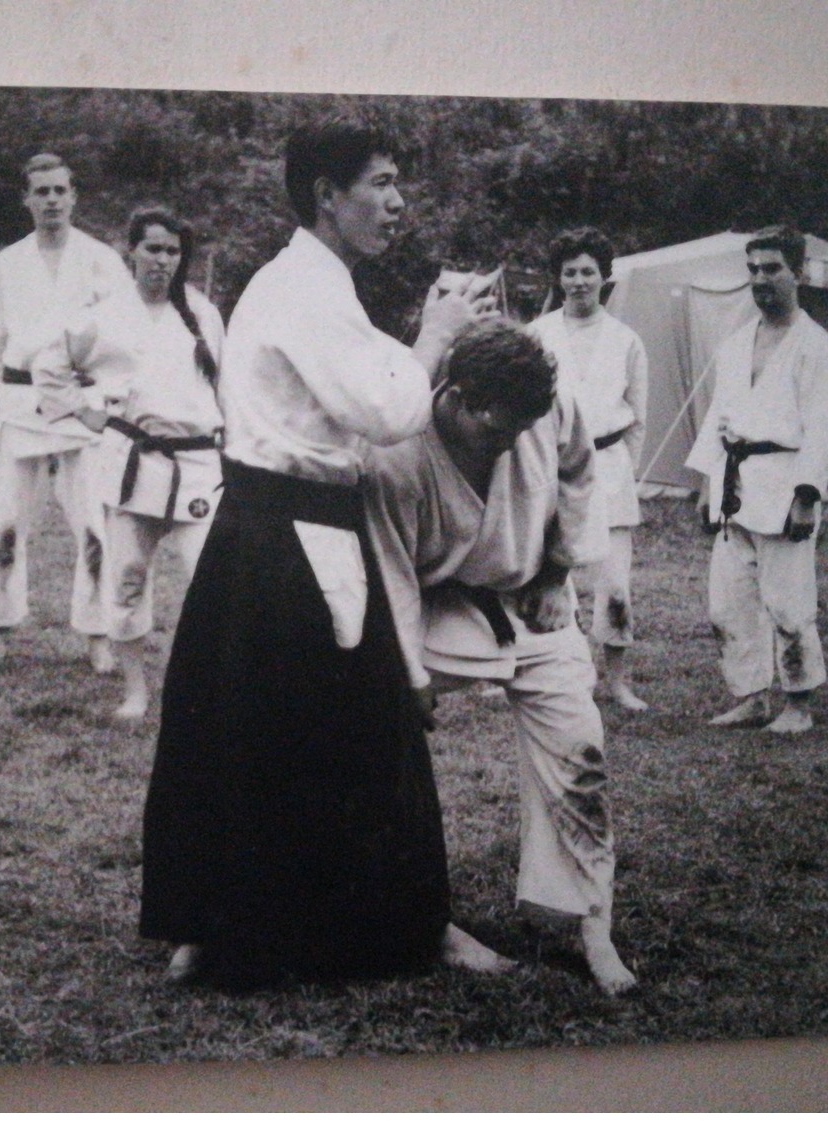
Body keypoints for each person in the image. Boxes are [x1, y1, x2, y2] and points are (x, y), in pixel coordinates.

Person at [139, 116, 503, 990]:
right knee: (354, 735)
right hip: (291, 538)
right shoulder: (302, 285)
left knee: (250, 732)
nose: (396, 201)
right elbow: (388, 410)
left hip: (266, 536)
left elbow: (368, 364)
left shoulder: (312, 283)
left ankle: (221, 924)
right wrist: (437, 335)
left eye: (396, 183)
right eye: (379, 182)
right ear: (325, 197)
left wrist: (428, 332)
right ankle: (365, 928)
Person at [367, 322, 637, 995]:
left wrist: (558, 567)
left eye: (523, 429)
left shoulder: (548, 406)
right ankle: (404, 914)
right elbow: (393, 575)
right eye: (497, 429)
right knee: (373, 722)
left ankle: (591, 924)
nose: (513, 441)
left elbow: (579, 471)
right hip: (439, 609)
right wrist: (412, 675)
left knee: (581, 754)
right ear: (455, 398)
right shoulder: (396, 454)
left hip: (533, 597)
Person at [0, 153, 136, 672]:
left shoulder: (101, 259)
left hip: (79, 403)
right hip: (20, 402)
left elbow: (125, 335)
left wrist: (107, 395)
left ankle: (97, 635)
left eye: (60, 190)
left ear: (74, 195)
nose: (51, 201)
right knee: (10, 523)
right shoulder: (8, 262)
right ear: (27, 200)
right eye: (41, 192)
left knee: (92, 526)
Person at [686, 225, 828, 734]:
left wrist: (807, 497)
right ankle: (751, 696)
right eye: (753, 269)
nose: (761, 279)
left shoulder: (817, 348)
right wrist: (711, 480)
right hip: (737, 484)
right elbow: (719, 416)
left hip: (785, 482)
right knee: (729, 601)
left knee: (788, 602)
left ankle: (798, 703)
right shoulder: (736, 343)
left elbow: (822, 429)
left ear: (798, 273)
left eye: (772, 268)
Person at [96, 208, 226, 721]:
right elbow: (52, 367)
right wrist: (90, 409)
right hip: (134, 463)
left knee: (209, 578)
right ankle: (135, 689)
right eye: (153, 248)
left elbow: (225, 388)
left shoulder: (202, 313)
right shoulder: (106, 311)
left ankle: (204, 687)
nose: (162, 260)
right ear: (131, 250)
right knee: (128, 574)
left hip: (197, 464)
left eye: (172, 251)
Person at [528, 226, 651, 712]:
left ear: (605, 277)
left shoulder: (626, 340)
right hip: (552, 466)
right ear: (559, 280)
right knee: (549, 574)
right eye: (570, 273)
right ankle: (560, 671)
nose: (579, 281)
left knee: (615, 581)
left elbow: (639, 417)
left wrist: (627, 476)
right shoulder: (538, 334)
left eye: (588, 272)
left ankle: (616, 681)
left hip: (609, 466)